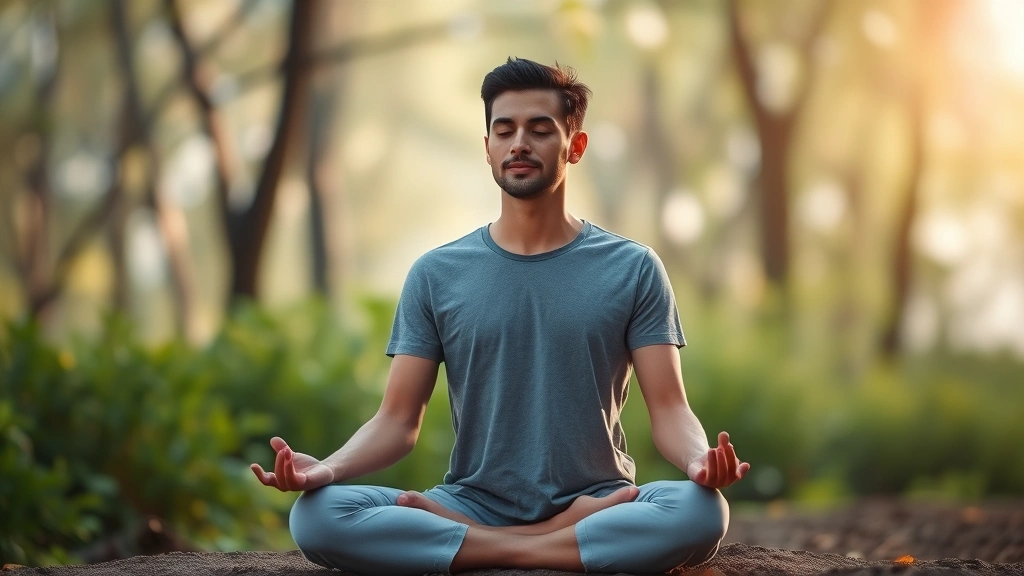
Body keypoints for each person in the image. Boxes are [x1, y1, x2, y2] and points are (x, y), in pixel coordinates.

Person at [251, 57, 749, 575]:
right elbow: (397, 421)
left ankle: (482, 548)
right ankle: (546, 544)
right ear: (486, 147)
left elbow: (669, 408)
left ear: (574, 146)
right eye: (504, 130)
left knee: (701, 510)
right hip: (476, 502)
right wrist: (327, 469)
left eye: (540, 130)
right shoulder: (437, 273)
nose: (519, 145)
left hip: (601, 498)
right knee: (318, 517)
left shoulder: (633, 268)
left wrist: (696, 460)